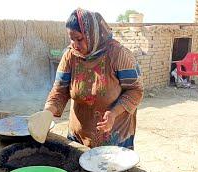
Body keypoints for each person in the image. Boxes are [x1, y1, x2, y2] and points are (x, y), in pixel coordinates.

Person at [44, 8, 143, 149]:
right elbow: (60, 90)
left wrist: (113, 113)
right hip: (79, 136)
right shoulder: (70, 56)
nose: (75, 45)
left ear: (92, 35)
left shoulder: (118, 54)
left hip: (114, 137)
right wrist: (47, 112)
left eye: (79, 39)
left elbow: (135, 90)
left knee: (109, 169)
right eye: (71, 39)